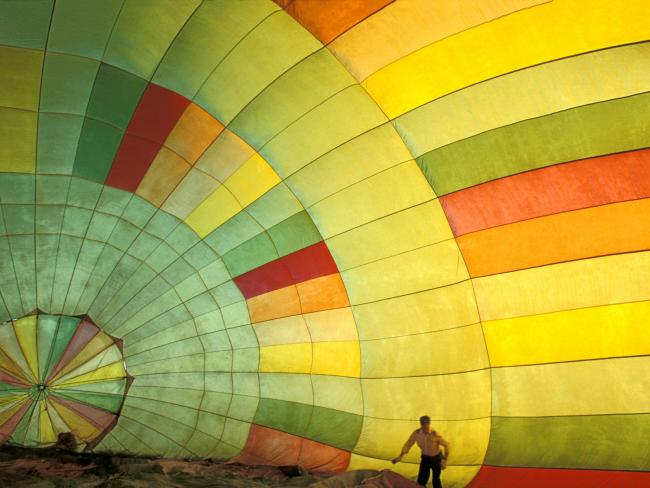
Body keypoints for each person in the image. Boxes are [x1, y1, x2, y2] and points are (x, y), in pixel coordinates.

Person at [392, 415, 449, 488]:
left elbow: (447, 445)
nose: (425, 427)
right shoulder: (416, 433)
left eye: (426, 424)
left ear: (429, 423)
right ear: (421, 424)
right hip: (425, 459)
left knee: (436, 480)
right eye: (423, 424)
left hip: (436, 458)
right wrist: (400, 456)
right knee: (421, 481)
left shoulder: (435, 434)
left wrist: (444, 459)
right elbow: (408, 444)